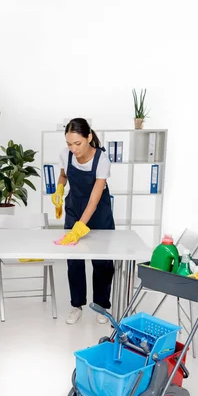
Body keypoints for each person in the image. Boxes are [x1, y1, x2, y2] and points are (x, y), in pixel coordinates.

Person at [51, 118, 115, 325]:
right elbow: (63, 176)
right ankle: (76, 305)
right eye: (69, 144)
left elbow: (95, 198)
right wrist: (59, 189)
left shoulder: (102, 160)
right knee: (74, 259)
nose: (73, 148)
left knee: (102, 261)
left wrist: (81, 226)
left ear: (88, 137)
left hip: (98, 214)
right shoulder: (66, 154)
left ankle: (102, 305)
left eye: (77, 143)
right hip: (73, 209)